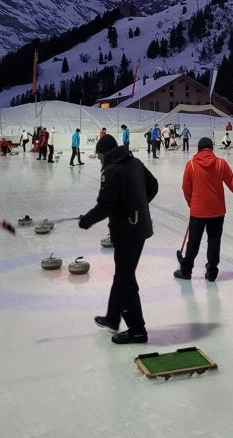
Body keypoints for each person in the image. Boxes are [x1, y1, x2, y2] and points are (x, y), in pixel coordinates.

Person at [78, 134, 158, 343]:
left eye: (99, 157)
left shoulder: (112, 171)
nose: (99, 161)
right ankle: (113, 317)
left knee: (125, 280)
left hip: (126, 233)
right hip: (139, 229)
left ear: (105, 154)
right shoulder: (135, 162)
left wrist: (86, 220)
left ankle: (137, 330)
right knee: (123, 274)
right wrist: (138, 206)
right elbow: (153, 186)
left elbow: (106, 206)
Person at [173, 137, 233, 281]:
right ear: (211, 148)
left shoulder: (191, 164)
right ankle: (212, 272)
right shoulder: (221, 163)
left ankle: (186, 271)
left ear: (199, 149)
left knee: (193, 242)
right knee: (214, 240)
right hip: (217, 211)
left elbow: (186, 188)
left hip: (198, 211)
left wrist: (192, 204)